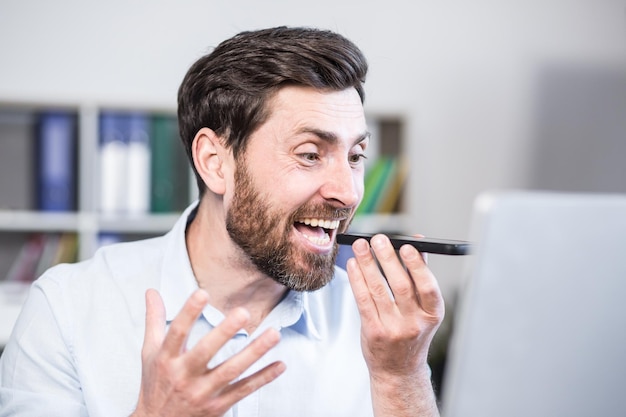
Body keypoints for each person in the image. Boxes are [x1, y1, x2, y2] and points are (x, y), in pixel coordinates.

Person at [0, 26, 444, 416]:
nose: (347, 192)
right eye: (310, 155)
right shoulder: (66, 309)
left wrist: (400, 379)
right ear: (214, 162)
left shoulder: (384, 333)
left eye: (355, 156)